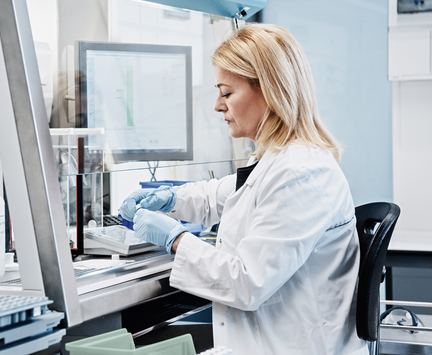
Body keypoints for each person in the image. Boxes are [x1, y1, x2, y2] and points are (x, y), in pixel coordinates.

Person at [119, 24, 368, 355]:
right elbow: (220, 195)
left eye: (226, 92)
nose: (217, 106)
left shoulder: (301, 172)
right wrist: (171, 198)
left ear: (269, 90)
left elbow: (247, 282)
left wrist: (176, 240)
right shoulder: (277, 160)